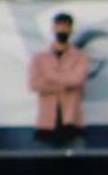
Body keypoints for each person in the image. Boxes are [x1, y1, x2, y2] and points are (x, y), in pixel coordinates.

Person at [27, 12, 89, 148]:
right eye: (59, 26)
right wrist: (64, 84)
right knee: (45, 168)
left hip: (72, 122)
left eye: (66, 26)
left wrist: (49, 76)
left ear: (71, 29)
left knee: (78, 168)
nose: (62, 30)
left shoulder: (80, 57)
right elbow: (34, 84)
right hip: (46, 124)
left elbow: (77, 80)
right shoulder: (39, 58)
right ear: (53, 28)